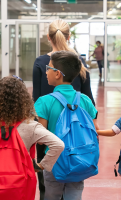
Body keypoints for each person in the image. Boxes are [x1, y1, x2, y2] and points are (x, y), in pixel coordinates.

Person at [33, 19, 98, 199]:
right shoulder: (78, 64)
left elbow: (36, 98)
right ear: (69, 37)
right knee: (74, 189)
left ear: (49, 37)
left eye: (49, 69)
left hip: (50, 143)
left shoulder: (41, 63)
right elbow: (90, 107)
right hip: (78, 150)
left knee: (49, 189)